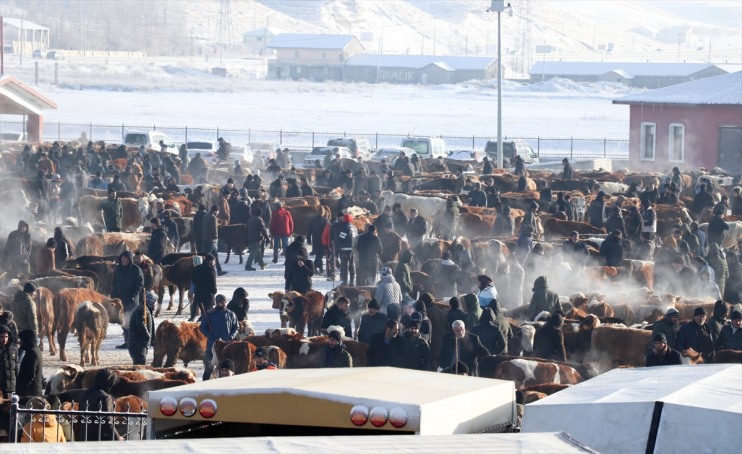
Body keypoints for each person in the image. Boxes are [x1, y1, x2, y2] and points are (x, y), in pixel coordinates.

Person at [200, 294, 238, 381]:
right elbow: (202, 327)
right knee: (208, 369)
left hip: (226, 346)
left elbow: (236, 327)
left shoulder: (231, 314)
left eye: (225, 302)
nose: (224, 304)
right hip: (211, 347)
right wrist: (210, 335)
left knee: (226, 369)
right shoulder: (209, 314)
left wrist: (231, 336)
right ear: (217, 303)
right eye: (222, 302)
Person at [111, 251, 143, 349]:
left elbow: (139, 284)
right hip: (120, 301)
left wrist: (133, 296)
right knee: (123, 321)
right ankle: (127, 341)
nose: (123, 260)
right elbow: (114, 282)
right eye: (122, 258)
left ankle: (133, 342)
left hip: (131, 301)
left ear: (129, 259)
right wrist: (113, 294)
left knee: (130, 322)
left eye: (125, 258)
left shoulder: (136, 269)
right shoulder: (119, 269)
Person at [79, 369, 122, 441]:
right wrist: (117, 438)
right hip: (100, 440)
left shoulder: (84, 394)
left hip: (84, 437)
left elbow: (80, 417)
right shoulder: (105, 397)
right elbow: (107, 422)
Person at [128, 290, 155, 366]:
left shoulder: (145, 309)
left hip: (140, 343)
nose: (155, 304)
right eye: (154, 302)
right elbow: (140, 324)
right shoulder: (142, 310)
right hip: (138, 344)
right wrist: (148, 336)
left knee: (141, 363)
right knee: (139, 365)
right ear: (150, 301)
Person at [332, 214, 358, 286]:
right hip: (353, 249)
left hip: (345, 249)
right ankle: (352, 281)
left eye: (344, 218)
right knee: (352, 265)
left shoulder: (345, 227)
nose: (342, 219)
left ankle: (345, 281)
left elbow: (342, 237)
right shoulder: (354, 227)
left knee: (344, 266)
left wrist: (335, 241)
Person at [191, 254, 218, 322]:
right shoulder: (211, 269)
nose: (214, 263)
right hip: (208, 295)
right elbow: (213, 282)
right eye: (214, 261)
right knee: (207, 314)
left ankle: (193, 319)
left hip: (198, 294)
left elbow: (193, 281)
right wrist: (214, 291)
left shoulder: (196, 268)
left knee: (203, 313)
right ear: (211, 261)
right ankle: (201, 324)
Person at [201, 205, 226, 275]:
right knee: (206, 255)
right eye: (218, 211)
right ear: (215, 210)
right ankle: (202, 270)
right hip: (212, 239)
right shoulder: (213, 217)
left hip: (205, 238)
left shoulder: (205, 216)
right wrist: (216, 237)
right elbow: (214, 229)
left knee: (215, 255)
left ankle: (219, 270)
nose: (218, 213)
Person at [245, 207, 269, 271]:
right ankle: (248, 265)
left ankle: (262, 264)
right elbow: (263, 230)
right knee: (253, 253)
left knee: (257, 252)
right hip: (257, 238)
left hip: (251, 237)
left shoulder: (250, 220)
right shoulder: (260, 220)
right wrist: (267, 238)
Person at [0, 324, 18, 399]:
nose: (4, 339)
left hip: (11, 388)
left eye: (6, 337)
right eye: (1, 337)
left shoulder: (13, 349)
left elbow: (16, 368)